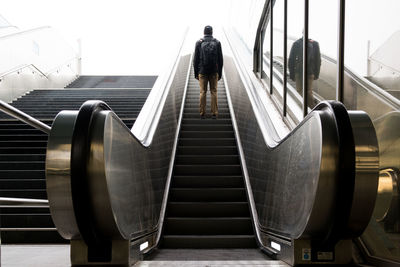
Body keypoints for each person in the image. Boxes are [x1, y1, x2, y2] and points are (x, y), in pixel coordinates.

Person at [193, 25, 223, 119]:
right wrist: (220, 73)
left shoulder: (199, 42)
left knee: (203, 92)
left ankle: (202, 113)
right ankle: (214, 113)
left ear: (204, 32)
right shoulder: (217, 42)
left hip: (202, 71)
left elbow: (195, 59)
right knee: (213, 92)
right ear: (212, 32)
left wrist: (196, 73)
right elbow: (220, 60)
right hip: (214, 71)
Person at [288, 36, 321, 108]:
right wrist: (316, 74)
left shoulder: (297, 43)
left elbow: (291, 60)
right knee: (306, 91)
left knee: (302, 91)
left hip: (302, 72)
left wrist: (292, 74)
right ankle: (309, 106)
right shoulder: (314, 44)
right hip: (307, 72)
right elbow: (318, 61)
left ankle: (308, 108)